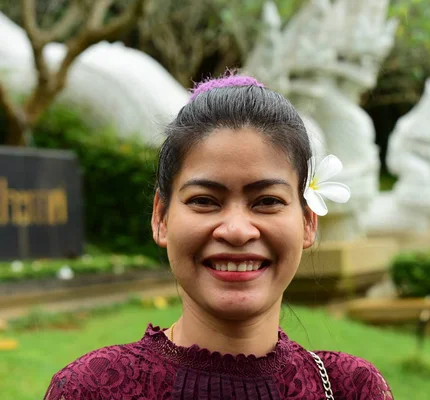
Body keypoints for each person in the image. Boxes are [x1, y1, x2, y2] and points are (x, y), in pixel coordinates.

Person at [43, 75, 393, 399]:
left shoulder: (351, 388)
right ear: (161, 217)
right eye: (205, 201)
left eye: (267, 201)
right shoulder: (91, 389)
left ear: (307, 221)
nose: (237, 230)